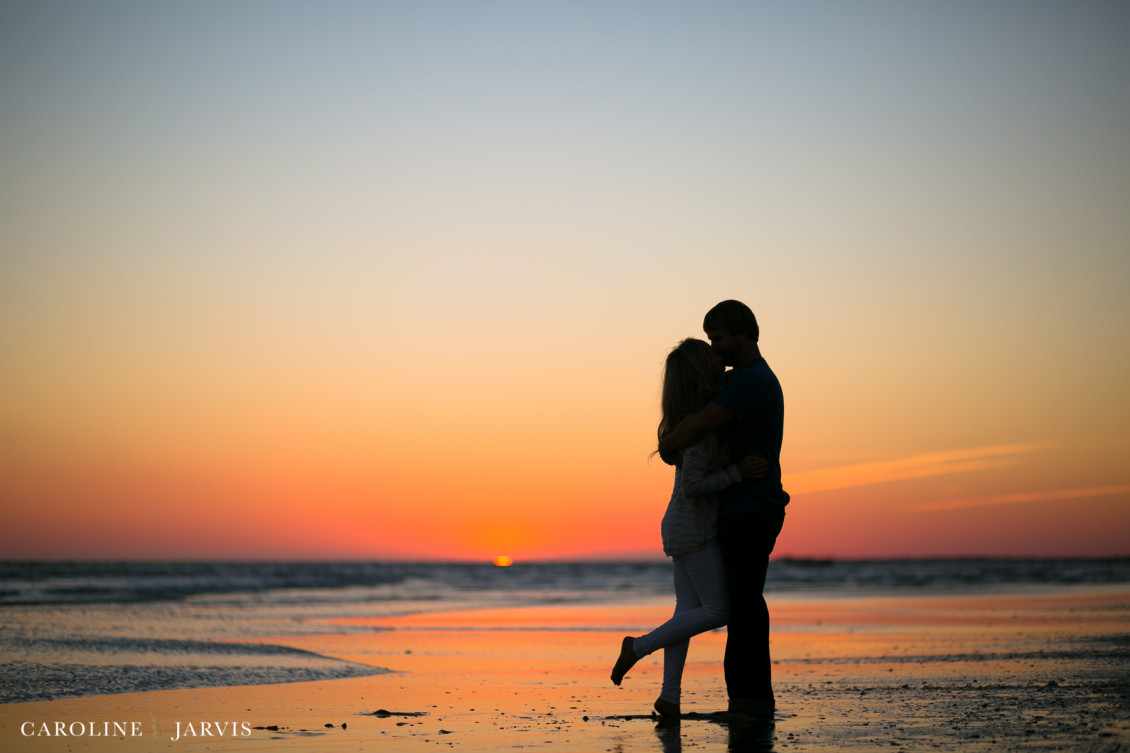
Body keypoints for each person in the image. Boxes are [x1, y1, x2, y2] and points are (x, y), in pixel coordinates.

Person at [610, 338, 769, 721]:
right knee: (719, 610)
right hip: (693, 528)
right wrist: (736, 473)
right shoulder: (702, 430)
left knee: (686, 612)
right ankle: (638, 646)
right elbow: (693, 487)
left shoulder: (694, 423)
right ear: (701, 373)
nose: (721, 357)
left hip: (682, 527)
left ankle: (669, 698)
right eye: (713, 355)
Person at [657, 300, 789, 720]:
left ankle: (750, 703)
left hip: (752, 507)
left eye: (719, 340)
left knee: (742, 606)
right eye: (711, 341)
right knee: (738, 606)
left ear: (744, 335)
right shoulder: (734, 380)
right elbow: (693, 405)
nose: (715, 350)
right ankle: (744, 700)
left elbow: (698, 425)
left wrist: (666, 443)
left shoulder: (752, 381)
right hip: (735, 509)